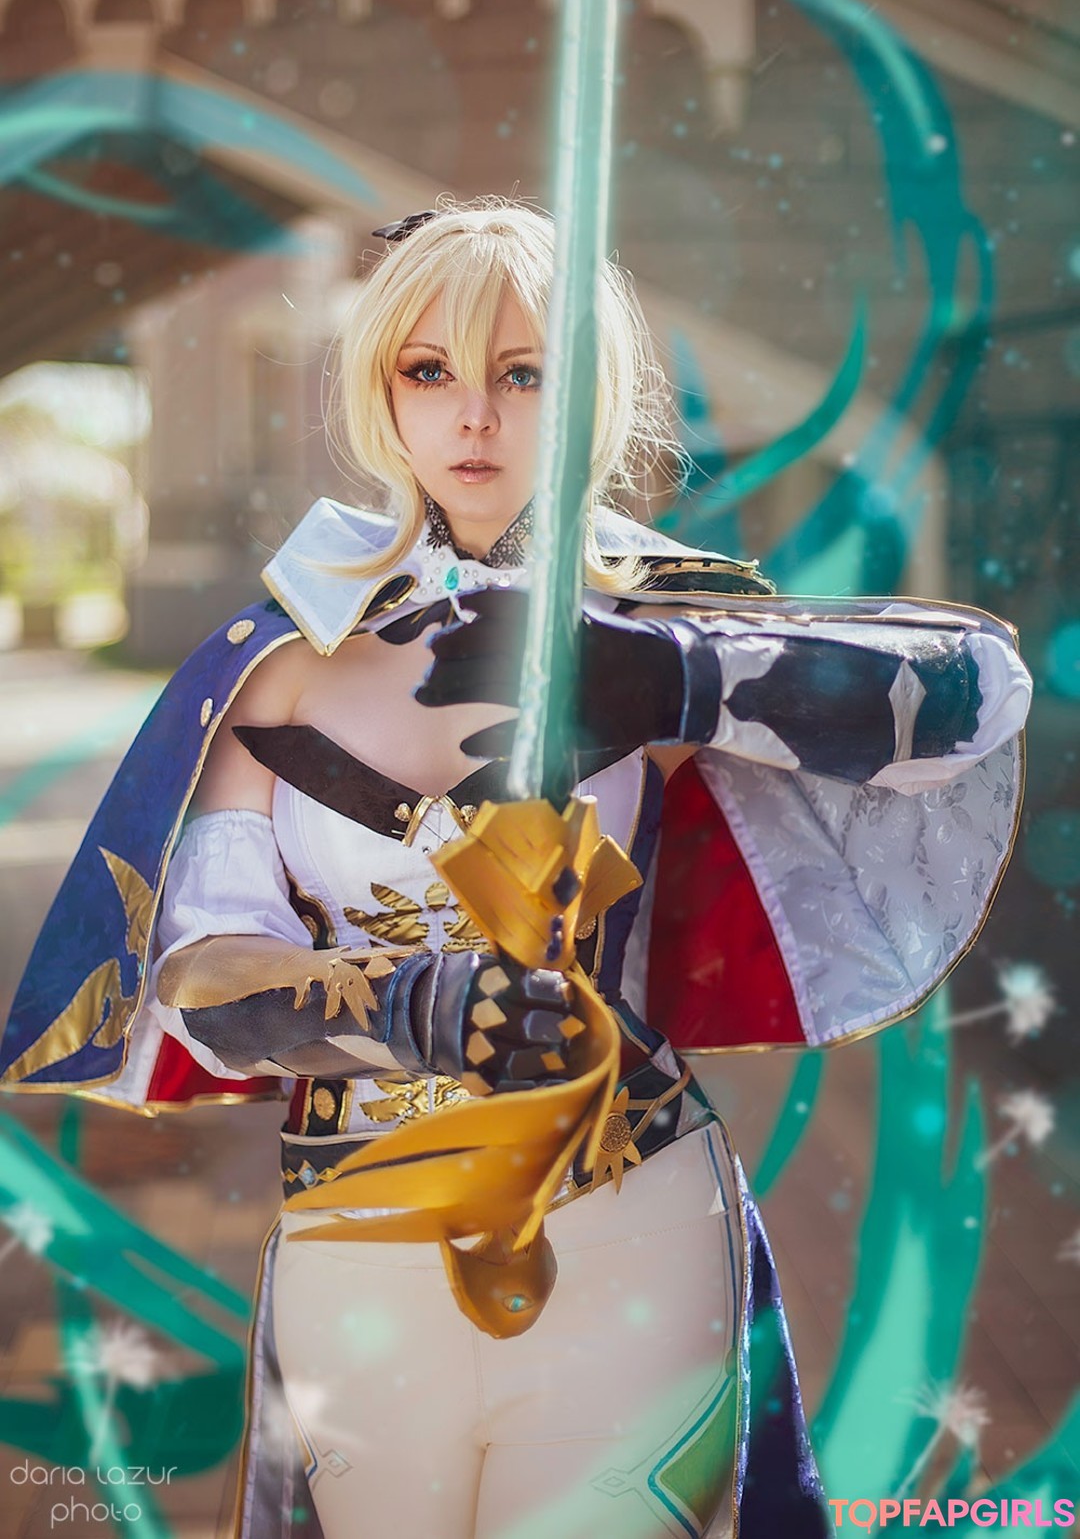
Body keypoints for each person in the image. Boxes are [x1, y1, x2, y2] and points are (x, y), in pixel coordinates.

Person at [0, 200, 1031, 1539]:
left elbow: (976, 695)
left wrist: (673, 677)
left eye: (525, 372)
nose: (474, 416)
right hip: (359, 1226)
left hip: (630, 1201)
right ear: (383, 393)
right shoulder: (284, 658)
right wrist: (411, 1005)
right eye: (429, 370)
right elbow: (200, 973)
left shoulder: (660, 618)